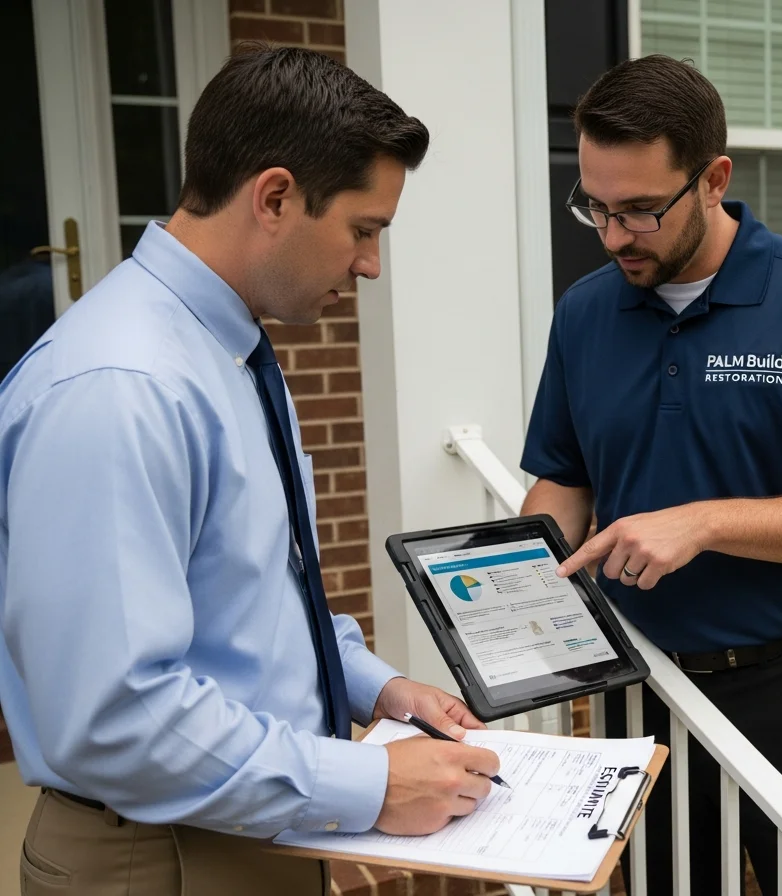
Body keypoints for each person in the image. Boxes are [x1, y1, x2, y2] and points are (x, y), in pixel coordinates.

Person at [0, 47, 500, 895]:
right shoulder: (121, 388)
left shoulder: (221, 351)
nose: (371, 265)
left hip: (237, 822)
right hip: (158, 855)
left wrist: (372, 685)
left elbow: (252, 595)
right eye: (364, 230)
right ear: (274, 198)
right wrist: (372, 784)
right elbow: (116, 717)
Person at [519, 55, 782, 896]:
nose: (615, 236)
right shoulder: (584, 311)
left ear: (713, 180)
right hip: (643, 685)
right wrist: (514, 595)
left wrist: (702, 522)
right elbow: (563, 482)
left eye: (640, 210)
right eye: (596, 207)